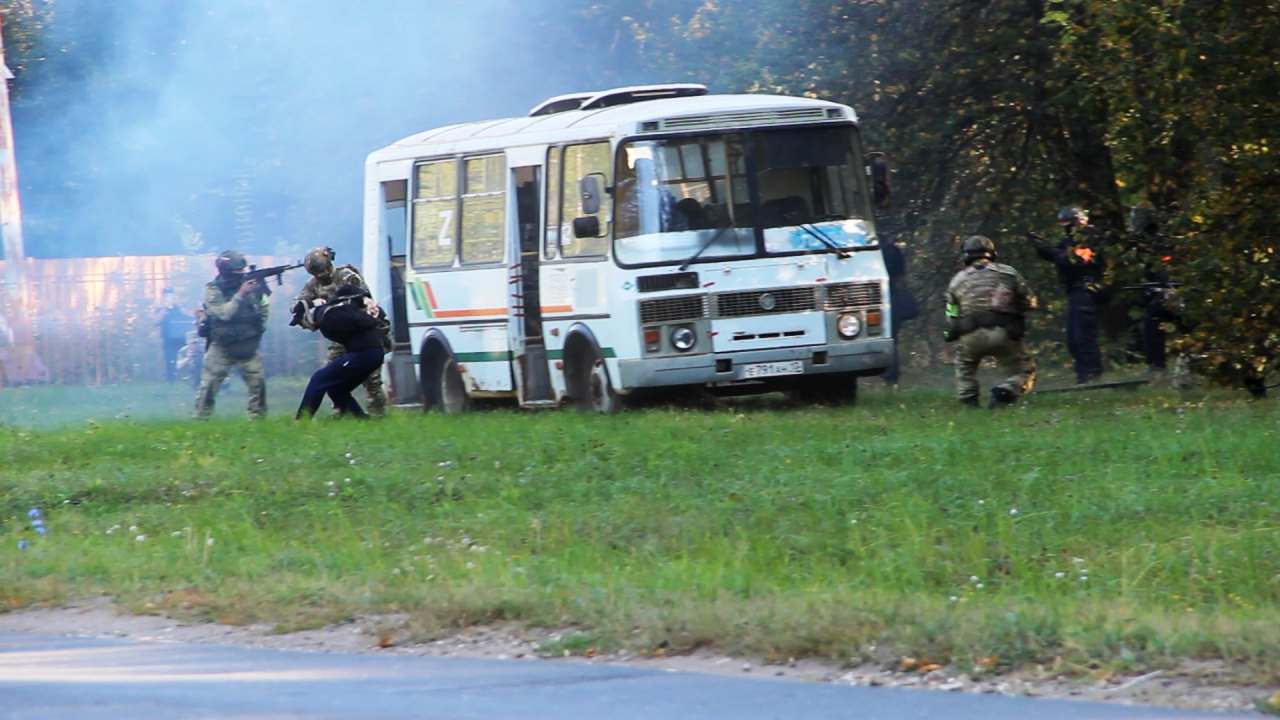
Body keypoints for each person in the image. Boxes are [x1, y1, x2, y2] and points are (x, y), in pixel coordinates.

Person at [292, 247, 390, 416]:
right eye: (316, 273)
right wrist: (314, 303)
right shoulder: (313, 285)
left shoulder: (346, 277)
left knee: (372, 380)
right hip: (341, 338)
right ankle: (343, 412)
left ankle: (378, 414)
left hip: (363, 332)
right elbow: (296, 306)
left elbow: (364, 301)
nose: (320, 276)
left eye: (321, 271)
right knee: (330, 375)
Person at [944, 236, 1038, 408]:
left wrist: (952, 331)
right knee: (1026, 371)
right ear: (992, 254)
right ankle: (1005, 392)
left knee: (965, 365)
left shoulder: (957, 280)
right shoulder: (1008, 272)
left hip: (970, 336)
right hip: (1002, 332)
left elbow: (951, 315)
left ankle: (969, 400)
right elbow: (1029, 302)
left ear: (966, 256)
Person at [1029, 205, 1108, 384]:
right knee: (1073, 337)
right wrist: (1042, 248)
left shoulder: (1091, 236)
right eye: (1063, 223)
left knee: (1083, 334)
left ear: (1079, 221)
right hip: (1075, 290)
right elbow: (1059, 256)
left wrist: (1050, 249)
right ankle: (1083, 374)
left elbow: (1074, 260)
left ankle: (1092, 373)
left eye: (1069, 222)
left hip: (1087, 289)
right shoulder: (1070, 240)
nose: (1066, 227)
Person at [193, 250, 269, 419]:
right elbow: (224, 314)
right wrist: (241, 293)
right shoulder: (213, 290)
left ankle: (258, 420)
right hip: (221, 345)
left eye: (242, 270)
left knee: (258, 384)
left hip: (247, 344)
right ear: (226, 271)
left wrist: (258, 329)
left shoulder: (252, 286)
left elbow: (264, 305)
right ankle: (201, 419)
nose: (241, 274)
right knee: (209, 385)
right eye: (237, 271)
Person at [879, 236, 920, 385]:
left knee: (889, 337)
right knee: (890, 338)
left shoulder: (887, 251)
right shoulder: (890, 250)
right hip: (889, 297)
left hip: (891, 298)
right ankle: (890, 376)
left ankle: (890, 377)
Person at [153, 287, 191, 383]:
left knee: (188, 357)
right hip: (168, 338)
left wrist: (179, 304)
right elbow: (156, 321)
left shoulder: (180, 307)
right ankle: (171, 379)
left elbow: (189, 316)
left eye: (171, 295)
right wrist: (165, 307)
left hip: (183, 337)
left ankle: (189, 377)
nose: (169, 298)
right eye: (167, 296)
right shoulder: (161, 308)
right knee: (170, 359)